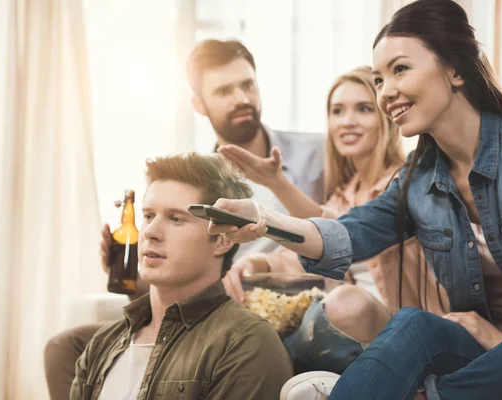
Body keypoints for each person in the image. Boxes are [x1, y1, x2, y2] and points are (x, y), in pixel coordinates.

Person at [209, 1, 502, 399]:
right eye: (378, 79)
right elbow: (346, 234)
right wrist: (263, 217)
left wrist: (499, 341)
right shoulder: (416, 183)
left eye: (400, 69)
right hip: (482, 356)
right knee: (413, 325)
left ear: (456, 69)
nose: (386, 92)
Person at [44, 39, 324, 400]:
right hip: (210, 294)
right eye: (224, 90)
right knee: (68, 346)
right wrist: (130, 270)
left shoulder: (318, 156)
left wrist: (264, 261)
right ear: (198, 103)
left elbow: (340, 235)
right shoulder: (197, 181)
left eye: (247, 85)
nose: (241, 98)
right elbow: (187, 272)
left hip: (283, 305)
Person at [218, 66, 448, 376]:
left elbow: (340, 233)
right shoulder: (343, 193)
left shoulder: (408, 183)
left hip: (403, 328)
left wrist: (277, 184)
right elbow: (306, 250)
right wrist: (254, 264)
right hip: (350, 333)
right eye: (337, 111)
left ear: (387, 116)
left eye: (364, 109)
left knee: (343, 303)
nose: (347, 121)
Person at [70, 153, 293, 400]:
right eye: (148, 216)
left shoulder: (246, 343)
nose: (150, 232)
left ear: (222, 239)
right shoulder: (102, 344)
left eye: (175, 219)